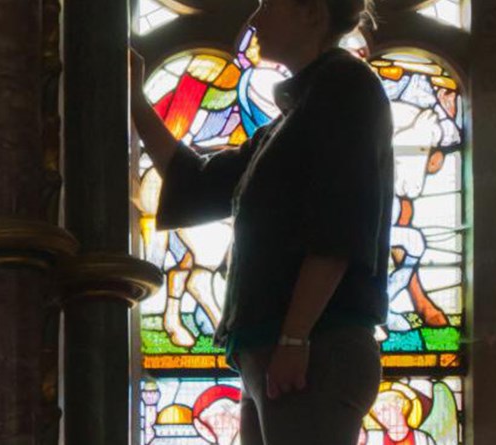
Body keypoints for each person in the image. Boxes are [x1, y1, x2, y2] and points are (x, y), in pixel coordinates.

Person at [129, 0, 392, 443]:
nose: (253, 20)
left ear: (312, 13)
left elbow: (340, 225)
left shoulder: (346, 88)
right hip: (273, 350)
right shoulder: (293, 117)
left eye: (268, 5)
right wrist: (133, 99)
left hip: (314, 348)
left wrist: (294, 339)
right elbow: (200, 184)